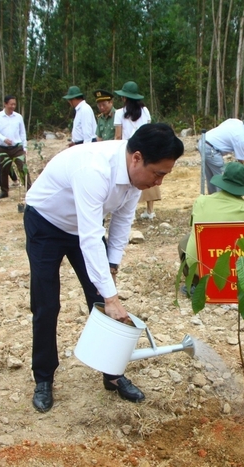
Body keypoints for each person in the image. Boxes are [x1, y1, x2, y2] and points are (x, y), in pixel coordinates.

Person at [24, 123, 184, 412]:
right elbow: (89, 237)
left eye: (165, 175)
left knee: (98, 299)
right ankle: (44, 377)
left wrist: (111, 266)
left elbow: (122, 222)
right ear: (137, 158)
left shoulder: (137, 179)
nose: (159, 182)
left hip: (84, 226)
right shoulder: (94, 170)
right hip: (47, 222)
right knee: (46, 303)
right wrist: (111, 297)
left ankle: (112, 374)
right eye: (157, 173)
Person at [179, 163, 244, 284]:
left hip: (202, 269)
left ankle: (195, 282)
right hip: (232, 273)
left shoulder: (201, 201)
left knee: (185, 241)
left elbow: (195, 229)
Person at [113, 81, 157, 219]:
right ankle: (150, 210)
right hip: (145, 148)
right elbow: (149, 129)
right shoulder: (145, 111)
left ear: (124, 98)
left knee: (128, 179)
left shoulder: (119, 113)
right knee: (149, 177)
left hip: (128, 150)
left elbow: (118, 136)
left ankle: (127, 212)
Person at [199, 117, 244, 195]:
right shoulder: (242, 138)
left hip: (203, 142)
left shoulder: (236, 122)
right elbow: (241, 162)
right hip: (212, 149)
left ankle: (212, 198)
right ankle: (221, 200)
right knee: (222, 179)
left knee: (211, 177)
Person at [0, 95, 30, 199]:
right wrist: (4, 139)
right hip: (3, 148)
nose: (13, 106)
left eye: (14, 104)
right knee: (4, 170)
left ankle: (29, 189)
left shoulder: (18, 117)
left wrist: (24, 147)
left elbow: (22, 133)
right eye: (11, 104)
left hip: (17, 147)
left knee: (22, 168)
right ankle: (4, 191)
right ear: (5, 104)